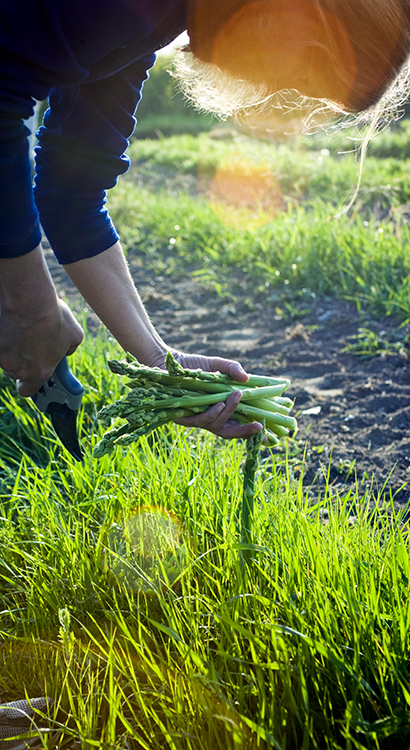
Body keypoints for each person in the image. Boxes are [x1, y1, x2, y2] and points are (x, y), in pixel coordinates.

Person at [1, 0, 409, 443]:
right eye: (304, 76)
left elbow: (71, 193)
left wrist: (160, 361)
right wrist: (29, 305)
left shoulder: (145, 26)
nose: (277, 96)